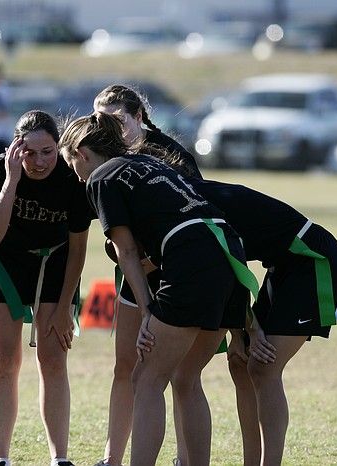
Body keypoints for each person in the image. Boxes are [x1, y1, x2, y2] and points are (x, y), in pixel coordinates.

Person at [58, 112, 249, 466]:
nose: (77, 176)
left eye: (72, 165)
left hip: (194, 256)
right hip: (230, 251)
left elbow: (127, 252)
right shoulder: (147, 161)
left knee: (146, 378)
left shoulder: (101, 176)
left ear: (82, 153)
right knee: (186, 377)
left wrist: (148, 312)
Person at [162, 155, 337, 466]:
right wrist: (242, 332)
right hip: (282, 265)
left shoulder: (192, 203)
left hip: (311, 259)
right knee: (240, 362)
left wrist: (247, 329)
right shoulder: (180, 201)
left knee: (263, 367)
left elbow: (229, 267)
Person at [92, 84, 208, 466]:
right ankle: (113, 457)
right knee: (126, 364)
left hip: (177, 273)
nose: (108, 129)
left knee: (176, 373)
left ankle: (182, 458)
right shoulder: (106, 158)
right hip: (133, 273)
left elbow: (196, 215)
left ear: (138, 116)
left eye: (117, 121)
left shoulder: (172, 156)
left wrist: (149, 259)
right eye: (100, 122)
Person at [0, 110, 93, 466]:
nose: (39, 161)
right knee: (5, 359)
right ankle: (2, 458)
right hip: (5, 264)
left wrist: (63, 309)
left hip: (55, 264)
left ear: (58, 148)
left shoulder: (71, 177)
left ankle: (59, 457)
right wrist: (12, 180)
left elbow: (78, 249)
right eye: (29, 152)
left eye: (48, 151)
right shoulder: (1, 169)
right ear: (16, 148)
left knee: (53, 358)